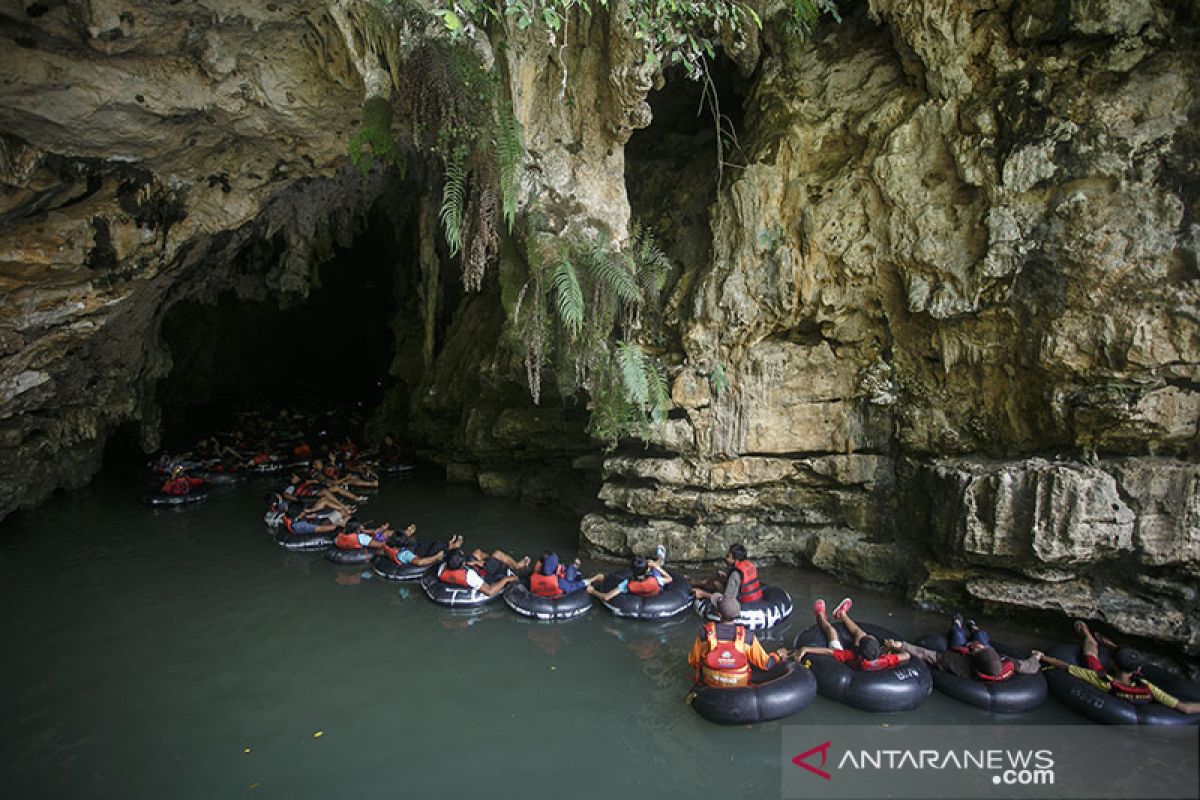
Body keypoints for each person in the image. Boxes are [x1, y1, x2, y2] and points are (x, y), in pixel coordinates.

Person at [1035, 621, 1200, 713]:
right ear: (1137, 670)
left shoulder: (1100, 678)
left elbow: (1066, 666)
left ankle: (1086, 633)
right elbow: (1184, 708)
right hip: (1139, 698)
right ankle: (1105, 642)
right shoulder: (1147, 688)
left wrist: (1042, 657)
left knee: (1090, 655)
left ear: (1112, 663)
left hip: (1113, 688)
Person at [882, 613, 1038, 681]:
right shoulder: (1008, 664)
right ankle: (973, 627)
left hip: (962, 650)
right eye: (983, 648)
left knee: (957, 634)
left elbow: (926, 654)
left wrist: (902, 645)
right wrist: (1036, 657)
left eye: (980, 649)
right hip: (978, 654)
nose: (980, 647)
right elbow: (1029, 667)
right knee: (982, 636)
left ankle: (957, 621)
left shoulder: (960, 665)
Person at [687, 595, 789, 688]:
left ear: (718, 614)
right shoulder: (747, 637)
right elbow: (766, 664)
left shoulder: (704, 633)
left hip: (710, 686)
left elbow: (692, 661)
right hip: (739, 689)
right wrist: (778, 655)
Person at [794, 597, 911, 670]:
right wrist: (893, 647)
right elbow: (907, 655)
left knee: (831, 631)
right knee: (860, 633)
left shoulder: (850, 655)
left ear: (857, 646)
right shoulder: (884, 660)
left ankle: (820, 615)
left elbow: (830, 652)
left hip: (845, 665)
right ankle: (841, 614)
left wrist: (806, 649)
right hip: (864, 660)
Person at [691, 543, 763, 606]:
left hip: (742, 603)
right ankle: (693, 582)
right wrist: (726, 577)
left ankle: (694, 584)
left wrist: (703, 594)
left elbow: (727, 601)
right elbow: (741, 583)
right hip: (755, 598)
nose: (725, 558)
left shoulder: (735, 574)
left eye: (728, 556)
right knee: (716, 583)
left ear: (736, 560)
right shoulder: (749, 565)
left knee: (715, 583)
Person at [435, 547, 524, 596]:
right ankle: (517, 566)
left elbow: (456, 566)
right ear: (462, 564)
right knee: (497, 554)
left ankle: (487, 559)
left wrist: (474, 562)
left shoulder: (442, 569)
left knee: (477, 552)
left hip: (466, 571)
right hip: (482, 576)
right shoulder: (470, 576)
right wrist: (506, 579)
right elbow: (489, 591)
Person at [586, 553, 671, 602]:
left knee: (602, 576)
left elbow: (606, 597)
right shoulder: (656, 580)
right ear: (647, 570)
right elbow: (670, 579)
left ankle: (590, 580)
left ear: (631, 570)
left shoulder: (627, 584)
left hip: (637, 591)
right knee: (654, 564)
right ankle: (658, 562)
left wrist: (592, 591)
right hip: (652, 592)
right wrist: (656, 567)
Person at [529, 551, 602, 598]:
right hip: (564, 582)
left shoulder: (533, 577)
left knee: (564, 570)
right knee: (570, 577)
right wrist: (592, 579)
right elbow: (575, 586)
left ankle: (571, 566)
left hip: (548, 581)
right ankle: (574, 566)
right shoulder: (560, 582)